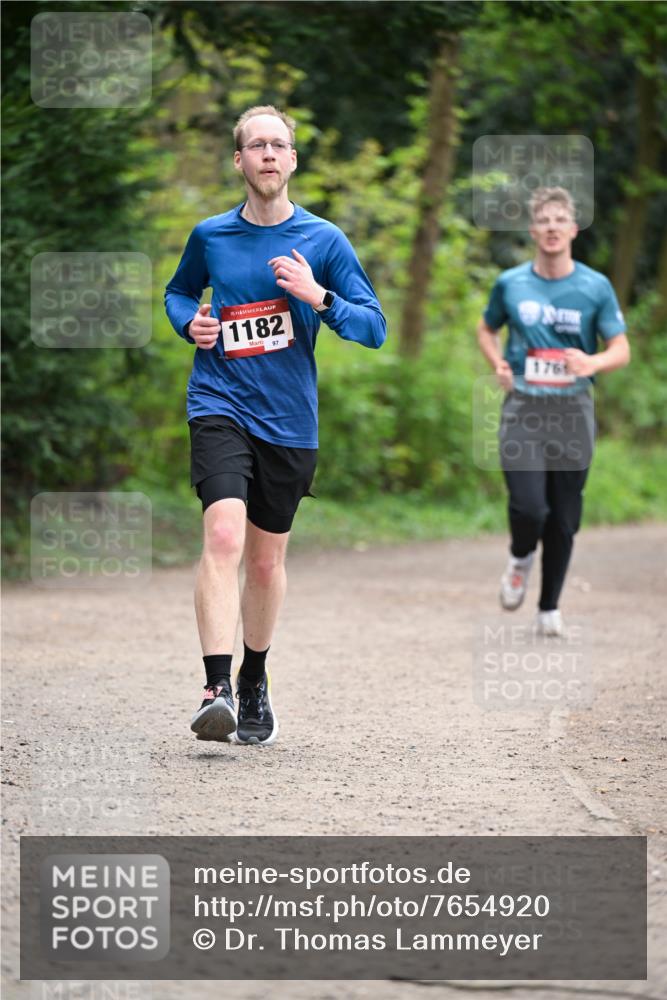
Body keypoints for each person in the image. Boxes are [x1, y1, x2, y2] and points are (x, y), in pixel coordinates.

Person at [165, 105, 386, 745]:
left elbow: (373, 328)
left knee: (264, 565)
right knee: (224, 536)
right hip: (219, 404)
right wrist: (191, 324)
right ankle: (216, 687)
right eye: (254, 145)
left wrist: (316, 295)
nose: (266, 154)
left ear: (292, 160)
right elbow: (180, 292)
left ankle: (254, 677)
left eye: (277, 145)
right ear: (238, 161)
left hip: (289, 421)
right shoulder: (211, 236)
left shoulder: (324, 241)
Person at [477, 186, 630, 636]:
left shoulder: (594, 286)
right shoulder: (511, 283)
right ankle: (521, 556)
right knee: (529, 509)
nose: (551, 228)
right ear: (532, 229)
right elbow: (486, 330)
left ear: (573, 228)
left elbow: (620, 348)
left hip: (573, 410)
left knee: (564, 517)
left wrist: (593, 362)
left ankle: (549, 608)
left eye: (559, 220)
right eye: (543, 221)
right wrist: (498, 364)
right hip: (523, 407)